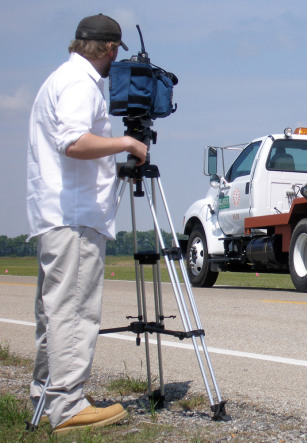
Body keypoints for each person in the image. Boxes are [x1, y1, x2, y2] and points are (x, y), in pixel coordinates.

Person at [26, 13, 148, 434]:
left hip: (57, 213)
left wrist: (113, 160)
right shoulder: (81, 84)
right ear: (111, 49)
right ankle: (68, 407)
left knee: (54, 311)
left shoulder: (60, 78)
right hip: (74, 219)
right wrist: (127, 142)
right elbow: (74, 142)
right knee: (74, 312)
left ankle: (48, 397)